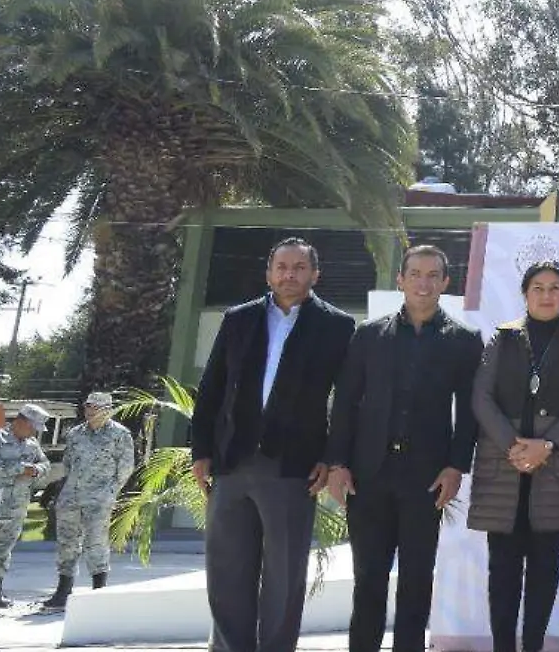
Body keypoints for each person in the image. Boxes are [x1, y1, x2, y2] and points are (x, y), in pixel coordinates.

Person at [192, 237, 356, 652]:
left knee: (284, 575)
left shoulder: (336, 326)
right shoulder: (238, 319)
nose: (289, 275)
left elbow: (348, 399)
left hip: (292, 468)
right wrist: (201, 452)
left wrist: (331, 456)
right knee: (227, 571)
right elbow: (210, 389)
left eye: (299, 267)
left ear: (314, 274)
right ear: (268, 273)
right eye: (281, 266)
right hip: (231, 463)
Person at [325, 245, 483, 652]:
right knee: (369, 580)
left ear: (446, 283)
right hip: (368, 475)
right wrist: (338, 463)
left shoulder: (464, 341)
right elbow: (345, 402)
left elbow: (468, 413)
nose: (423, 283)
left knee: (416, 581)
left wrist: (455, 467)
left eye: (433, 275)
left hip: (426, 478)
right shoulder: (368, 336)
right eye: (415, 274)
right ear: (400, 280)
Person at [468, 260, 559, 652]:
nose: (547, 295)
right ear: (525, 294)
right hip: (503, 468)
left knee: (545, 569)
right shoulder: (503, 339)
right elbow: (481, 396)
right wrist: (512, 443)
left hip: (554, 470)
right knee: (502, 572)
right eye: (538, 288)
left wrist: (548, 445)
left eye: (555, 288)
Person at [42, 391, 136, 608]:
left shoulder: (119, 434)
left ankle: (99, 593)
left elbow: (125, 467)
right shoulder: (76, 434)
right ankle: (63, 590)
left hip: (99, 498)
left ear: (106, 409)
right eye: (87, 406)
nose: (89, 411)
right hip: (71, 497)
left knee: (96, 543)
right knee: (67, 543)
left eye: (94, 407)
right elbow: (68, 463)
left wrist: (109, 491)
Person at [0, 405, 49, 608]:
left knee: (3, 549)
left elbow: (45, 465)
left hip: (16, 506)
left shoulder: (32, 444)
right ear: (22, 421)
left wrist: (35, 470)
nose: (35, 432)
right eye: (33, 427)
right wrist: (20, 469)